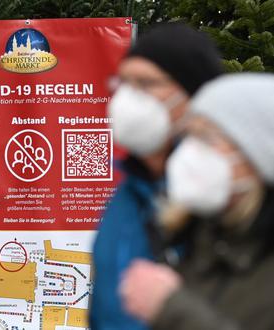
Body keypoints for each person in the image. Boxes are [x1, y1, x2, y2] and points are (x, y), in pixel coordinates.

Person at [119, 74, 274, 330]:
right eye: (189, 137)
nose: (188, 154)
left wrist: (173, 310)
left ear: (259, 154)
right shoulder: (204, 233)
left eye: (207, 138)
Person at [90, 23, 223, 330]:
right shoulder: (125, 197)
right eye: (124, 82)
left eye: (146, 83)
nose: (128, 98)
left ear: (192, 94)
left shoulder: (227, 196)